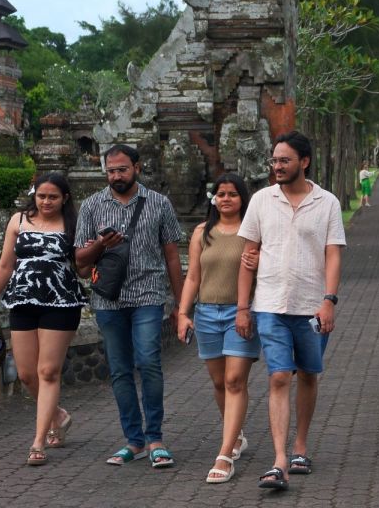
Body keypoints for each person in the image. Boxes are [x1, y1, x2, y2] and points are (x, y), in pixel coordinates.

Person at [236, 131, 344, 491]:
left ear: (304, 162)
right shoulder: (261, 201)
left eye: (284, 160)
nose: (277, 166)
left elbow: (333, 253)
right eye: (274, 160)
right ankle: (280, 460)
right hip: (269, 305)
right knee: (279, 376)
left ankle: (301, 447)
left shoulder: (327, 203)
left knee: (309, 374)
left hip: (312, 307)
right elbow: (247, 258)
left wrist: (329, 299)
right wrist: (242, 307)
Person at [74, 143, 184, 469]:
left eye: (122, 169)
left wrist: (181, 303)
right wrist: (99, 246)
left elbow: (173, 255)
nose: (116, 176)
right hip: (108, 299)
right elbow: (80, 262)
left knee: (148, 361)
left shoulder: (158, 203)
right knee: (120, 370)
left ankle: (156, 439)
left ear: (137, 167)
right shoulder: (92, 206)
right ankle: (133, 440)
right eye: (111, 171)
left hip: (148, 295)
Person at [0, 172, 84, 466]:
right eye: (42, 196)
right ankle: (58, 415)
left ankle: (39, 442)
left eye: (53, 197)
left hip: (61, 302)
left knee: (48, 371)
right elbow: (5, 265)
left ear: (65, 199)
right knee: (26, 375)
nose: (46, 202)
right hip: (22, 301)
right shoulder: (18, 220)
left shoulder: (74, 224)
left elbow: (84, 266)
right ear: (34, 195)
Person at [176, 173, 259, 484]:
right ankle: (235, 435)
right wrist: (184, 313)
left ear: (242, 198)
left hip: (241, 314)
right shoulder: (201, 233)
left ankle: (224, 454)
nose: (226, 199)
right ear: (214, 198)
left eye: (232, 194)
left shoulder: (252, 232)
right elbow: (193, 277)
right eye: (221, 194)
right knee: (219, 382)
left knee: (235, 380)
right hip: (208, 313)